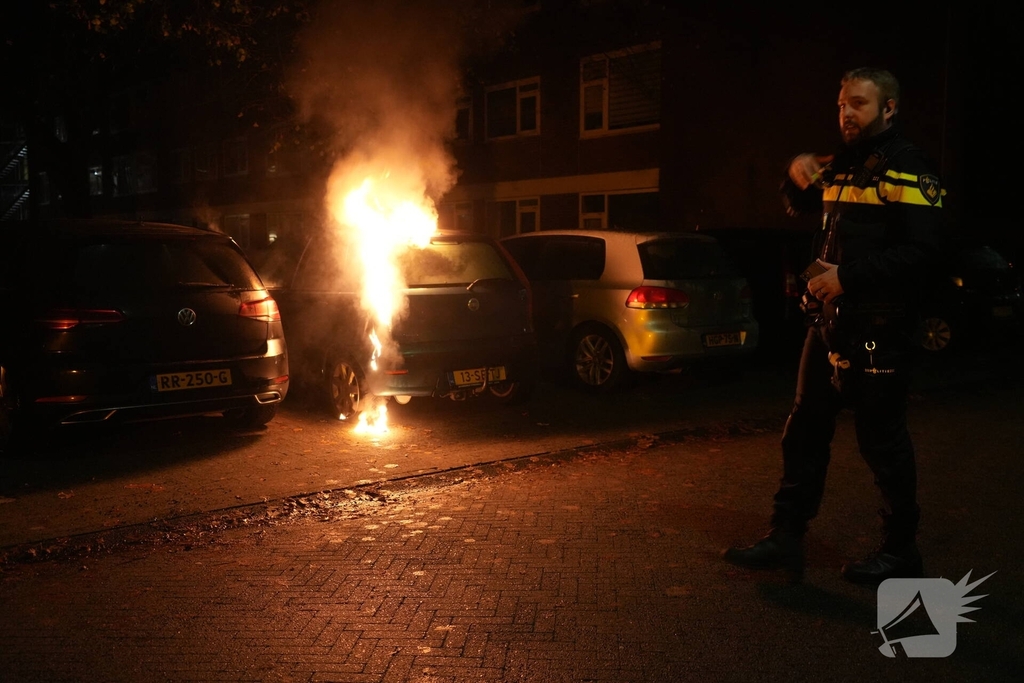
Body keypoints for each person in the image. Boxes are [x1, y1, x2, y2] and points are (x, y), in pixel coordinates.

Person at [724, 67, 949, 585]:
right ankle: (785, 536)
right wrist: (794, 175)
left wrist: (848, 277)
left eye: (859, 105)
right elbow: (801, 205)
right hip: (827, 327)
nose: (846, 114)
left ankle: (900, 552)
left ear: (889, 108)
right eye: (842, 104)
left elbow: (925, 251)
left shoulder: (910, 168)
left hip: (881, 330)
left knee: (882, 444)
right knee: (803, 432)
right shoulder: (843, 164)